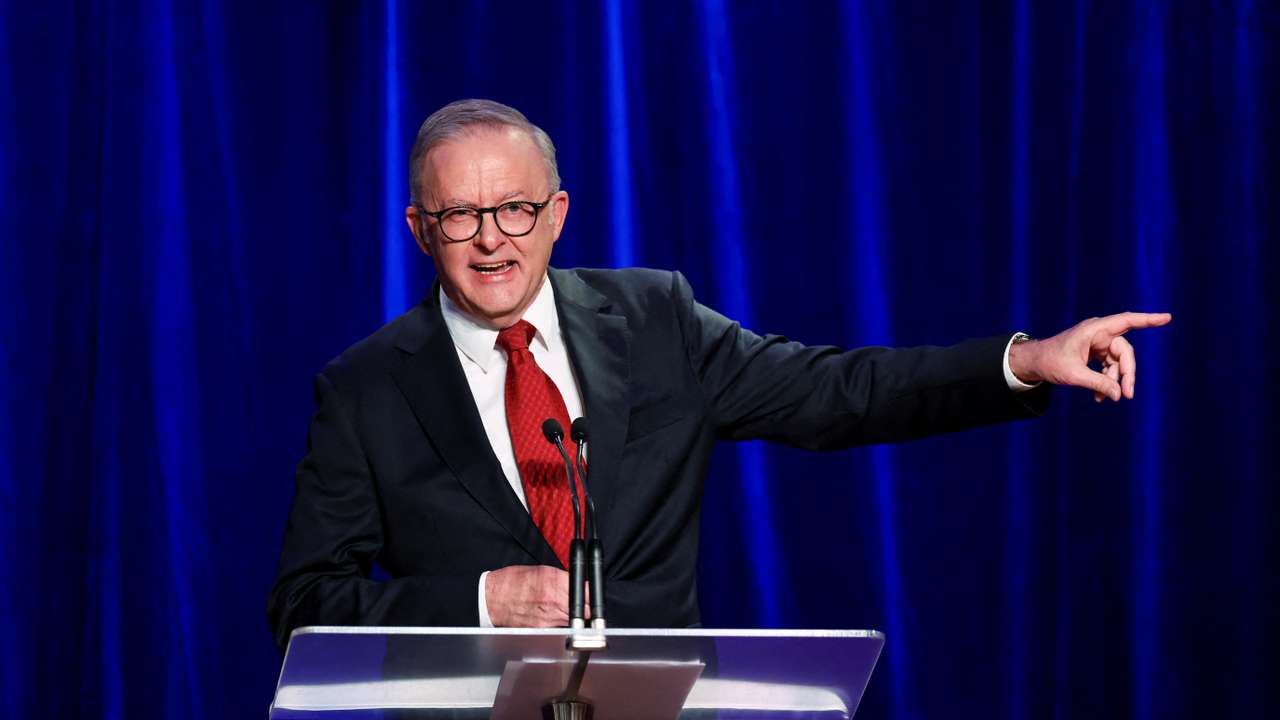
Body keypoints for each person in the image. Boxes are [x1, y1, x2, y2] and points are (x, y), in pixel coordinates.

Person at [266, 99, 1171, 649]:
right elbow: (304, 605)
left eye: (515, 207)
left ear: (558, 214)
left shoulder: (655, 318)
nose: (493, 238)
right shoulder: (367, 387)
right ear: (421, 230)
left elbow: (835, 392)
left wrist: (1023, 363)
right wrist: (480, 601)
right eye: (462, 215)